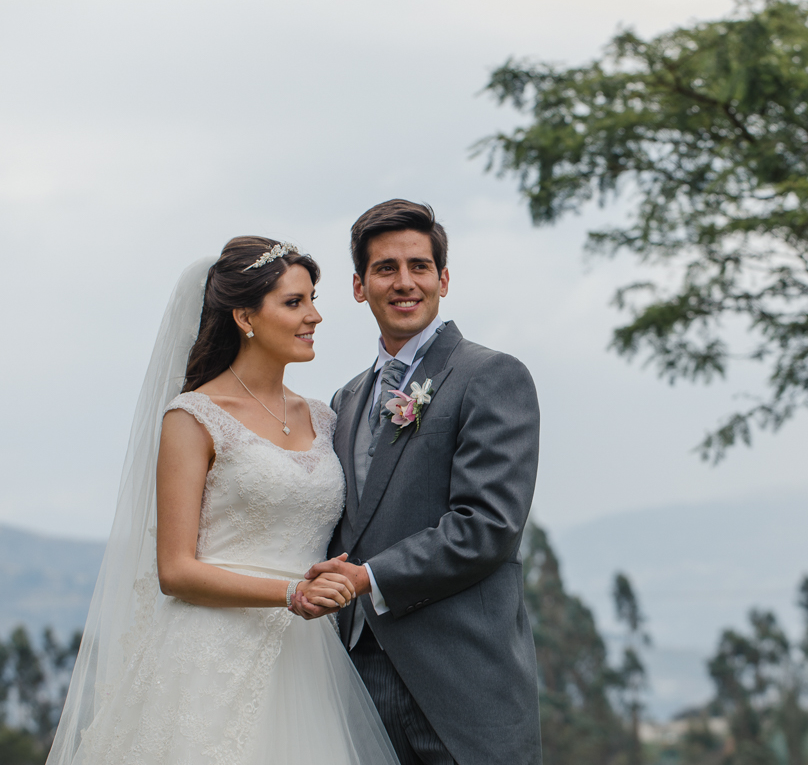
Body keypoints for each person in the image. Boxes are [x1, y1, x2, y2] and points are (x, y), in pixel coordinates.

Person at [47, 238, 401, 765]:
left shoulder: (326, 418)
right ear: (244, 317)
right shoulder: (193, 417)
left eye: (313, 299)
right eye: (294, 302)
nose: (316, 316)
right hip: (207, 658)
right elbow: (175, 570)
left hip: (307, 657)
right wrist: (289, 592)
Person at [293, 200, 542, 765]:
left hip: (461, 683)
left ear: (443, 279)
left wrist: (364, 579)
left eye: (419, 266)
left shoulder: (491, 376)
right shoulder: (347, 399)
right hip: (359, 677)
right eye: (386, 269)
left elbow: (488, 526)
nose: (404, 282)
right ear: (360, 287)